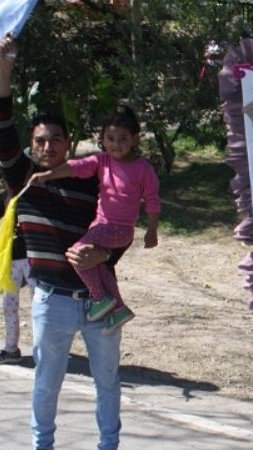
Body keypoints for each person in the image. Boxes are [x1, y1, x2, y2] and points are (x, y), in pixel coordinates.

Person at [0, 35, 126, 450]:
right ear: (32, 146)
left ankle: (108, 445)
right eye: (40, 141)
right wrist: (3, 69)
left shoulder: (95, 180)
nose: (47, 146)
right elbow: (1, 131)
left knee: (108, 382)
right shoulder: (25, 180)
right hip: (52, 303)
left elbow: (121, 226)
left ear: (69, 143)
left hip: (100, 300)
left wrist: (105, 253)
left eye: (55, 139)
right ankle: (43, 445)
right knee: (47, 383)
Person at [30, 105, 160, 334]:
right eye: (110, 139)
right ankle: (118, 308)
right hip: (101, 227)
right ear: (102, 139)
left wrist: (152, 231)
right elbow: (76, 167)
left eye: (123, 139)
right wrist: (48, 175)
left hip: (119, 230)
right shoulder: (102, 161)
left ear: (135, 139)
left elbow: (152, 202)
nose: (116, 144)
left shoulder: (143, 169)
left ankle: (100, 298)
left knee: (77, 254)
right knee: (96, 264)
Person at [0, 224, 35, 365]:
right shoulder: (7, 208)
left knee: (41, 307)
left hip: (34, 259)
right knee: (9, 306)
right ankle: (11, 350)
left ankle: (46, 352)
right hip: (11, 259)